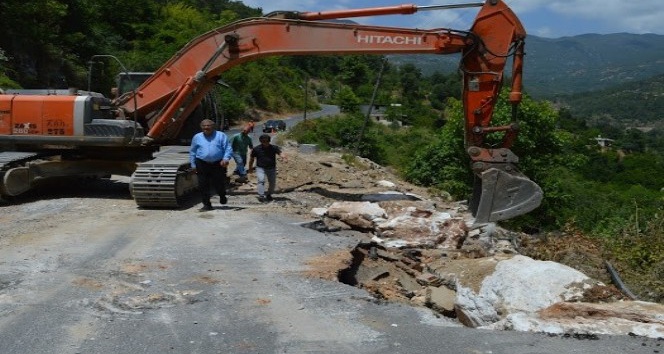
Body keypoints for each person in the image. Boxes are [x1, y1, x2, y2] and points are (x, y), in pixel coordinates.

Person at [189, 119, 233, 211]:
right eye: (204, 126)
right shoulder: (197, 137)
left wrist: (225, 158)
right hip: (202, 163)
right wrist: (193, 164)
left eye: (208, 125)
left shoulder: (221, 135)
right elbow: (193, 151)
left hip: (217, 163)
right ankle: (207, 205)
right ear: (201, 127)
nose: (206, 127)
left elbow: (228, 148)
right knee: (203, 184)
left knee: (218, 183)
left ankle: (222, 195)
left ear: (213, 126)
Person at [248, 134, 287, 202]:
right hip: (260, 168)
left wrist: (284, 157)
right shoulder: (256, 149)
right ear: (261, 142)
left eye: (267, 142)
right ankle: (261, 195)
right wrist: (250, 168)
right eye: (264, 142)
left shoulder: (274, 147)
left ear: (269, 141)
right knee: (261, 180)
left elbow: (280, 153)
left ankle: (269, 194)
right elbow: (251, 159)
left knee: (272, 183)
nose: (265, 143)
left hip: (271, 168)